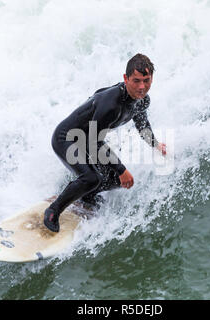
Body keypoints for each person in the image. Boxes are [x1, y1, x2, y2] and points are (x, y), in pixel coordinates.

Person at [44, 53, 166, 232]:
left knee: (117, 180)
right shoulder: (112, 104)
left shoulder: (141, 101)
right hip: (67, 138)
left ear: (152, 78)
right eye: (136, 80)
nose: (142, 87)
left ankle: (86, 195)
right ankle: (53, 210)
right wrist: (121, 169)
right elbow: (95, 141)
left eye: (146, 80)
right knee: (92, 177)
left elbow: (142, 125)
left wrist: (156, 144)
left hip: (87, 140)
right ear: (126, 78)